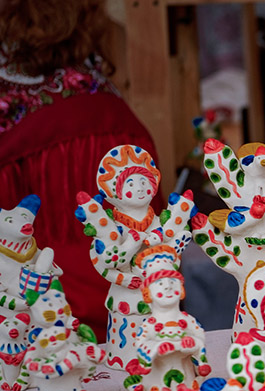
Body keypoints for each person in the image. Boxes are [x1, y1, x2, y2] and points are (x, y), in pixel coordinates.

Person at [0, 0, 162, 338]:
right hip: (134, 319)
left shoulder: (9, 113)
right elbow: (155, 234)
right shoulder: (113, 107)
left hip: (35, 325)